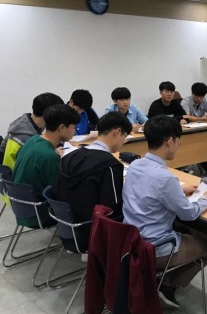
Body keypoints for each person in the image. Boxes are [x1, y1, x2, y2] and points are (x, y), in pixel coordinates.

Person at [122, 116, 207, 309]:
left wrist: (178, 191)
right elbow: (188, 214)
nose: (179, 145)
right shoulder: (165, 178)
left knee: (189, 231)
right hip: (155, 247)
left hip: (132, 239)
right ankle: (167, 285)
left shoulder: (136, 165)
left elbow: (149, 191)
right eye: (178, 140)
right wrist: (206, 199)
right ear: (170, 141)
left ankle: (163, 280)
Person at [56, 112, 132, 249]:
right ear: (117, 132)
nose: (123, 142)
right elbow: (113, 207)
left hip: (67, 227)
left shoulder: (69, 157)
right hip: (93, 232)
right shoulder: (110, 165)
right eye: (124, 137)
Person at [13, 104, 80, 201]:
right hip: (40, 207)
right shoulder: (50, 156)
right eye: (74, 127)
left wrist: (53, 152)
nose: (75, 130)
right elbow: (57, 191)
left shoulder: (33, 139)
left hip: (21, 203)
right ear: (62, 127)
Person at [1, 92, 64, 169]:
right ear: (49, 114)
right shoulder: (26, 137)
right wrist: (53, 153)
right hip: (15, 174)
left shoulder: (22, 124)